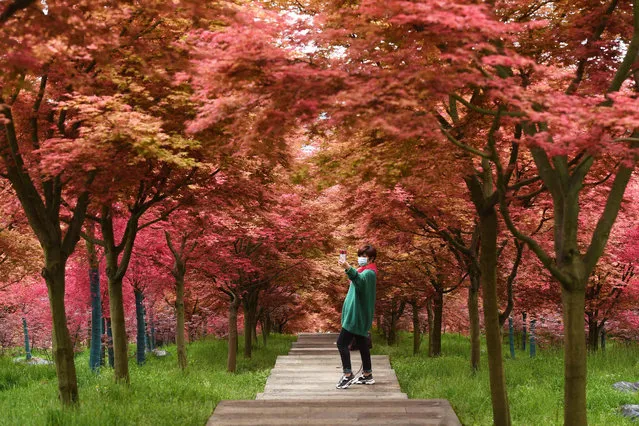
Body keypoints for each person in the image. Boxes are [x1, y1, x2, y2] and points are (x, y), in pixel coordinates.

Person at [335, 244, 377, 389]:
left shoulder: (369, 274)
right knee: (362, 343)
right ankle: (367, 374)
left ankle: (348, 375)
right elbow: (357, 277)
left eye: (364, 256)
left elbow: (359, 281)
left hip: (356, 316)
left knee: (341, 343)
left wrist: (348, 267)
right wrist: (349, 269)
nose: (361, 258)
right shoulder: (363, 271)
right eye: (360, 255)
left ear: (371, 258)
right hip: (358, 315)